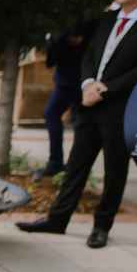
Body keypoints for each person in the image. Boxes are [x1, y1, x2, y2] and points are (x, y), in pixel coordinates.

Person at [17, 0, 137, 248]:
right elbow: (89, 54)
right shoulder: (107, 18)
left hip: (119, 105)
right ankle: (57, 219)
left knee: (114, 168)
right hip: (89, 101)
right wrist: (88, 83)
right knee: (76, 164)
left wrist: (106, 88)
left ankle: (102, 226)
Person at [35, 21, 96, 178]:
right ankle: (61, 163)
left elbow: (51, 59)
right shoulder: (63, 31)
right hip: (69, 79)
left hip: (78, 80)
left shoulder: (83, 25)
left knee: (76, 120)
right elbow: (51, 59)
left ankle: (69, 164)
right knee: (60, 116)